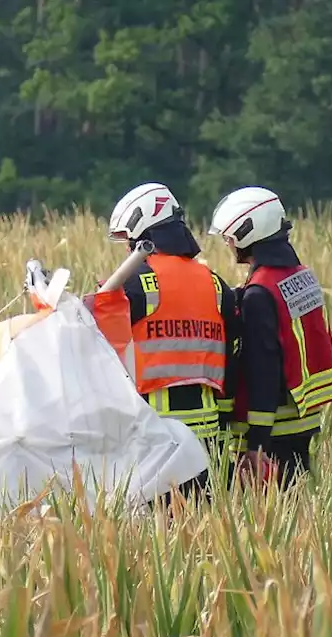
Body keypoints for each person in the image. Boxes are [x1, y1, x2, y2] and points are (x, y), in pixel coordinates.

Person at [102, 182, 240, 506]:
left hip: (155, 438)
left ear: (141, 232)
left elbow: (94, 339)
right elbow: (234, 362)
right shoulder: (216, 285)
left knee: (159, 547)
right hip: (209, 440)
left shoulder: (138, 284)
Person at [206, 186, 332, 491]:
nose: (228, 244)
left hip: (274, 426)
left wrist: (256, 442)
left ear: (248, 234)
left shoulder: (260, 293)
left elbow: (263, 369)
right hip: (305, 417)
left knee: (271, 516)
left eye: (229, 237)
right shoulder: (300, 275)